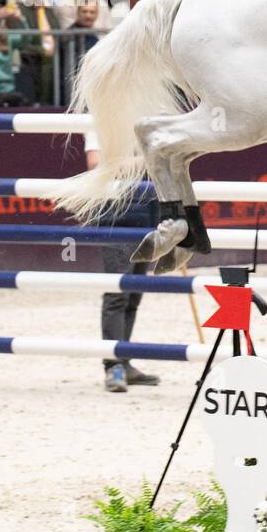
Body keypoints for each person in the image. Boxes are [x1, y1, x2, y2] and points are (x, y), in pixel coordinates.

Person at [83, 130, 160, 392]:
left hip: (149, 211)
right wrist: (147, 160)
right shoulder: (102, 120)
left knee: (134, 295)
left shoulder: (150, 118)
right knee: (117, 293)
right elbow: (96, 165)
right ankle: (113, 364)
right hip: (117, 215)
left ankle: (124, 360)